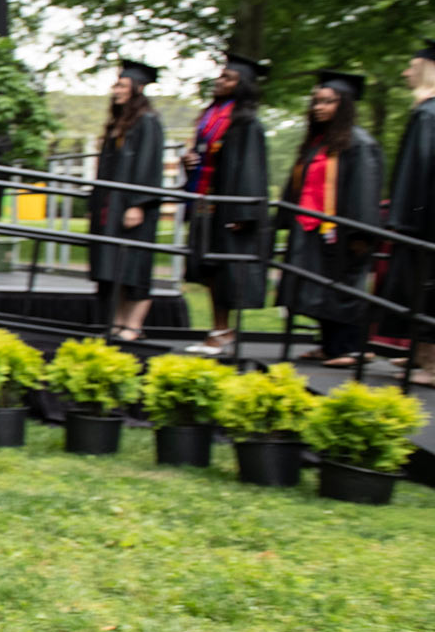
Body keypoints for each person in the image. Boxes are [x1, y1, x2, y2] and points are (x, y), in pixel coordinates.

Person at [279, 70, 384, 367]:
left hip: (343, 233)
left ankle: (351, 348)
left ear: (345, 105)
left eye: (328, 102)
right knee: (319, 288)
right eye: (316, 101)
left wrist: (359, 234)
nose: (319, 107)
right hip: (312, 228)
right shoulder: (320, 141)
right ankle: (329, 346)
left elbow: (364, 191)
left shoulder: (358, 143)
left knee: (342, 287)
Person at [181, 53, 271, 355]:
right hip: (206, 201)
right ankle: (219, 330)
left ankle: (223, 332)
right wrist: (189, 162)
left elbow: (252, 170)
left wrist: (244, 212)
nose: (220, 82)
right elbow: (207, 157)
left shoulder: (246, 124)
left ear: (242, 85)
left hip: (228, 208)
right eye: (220, 76)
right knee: (207, 269)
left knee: (223, 270)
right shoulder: (212, 118)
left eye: (228, 78)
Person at [88, 60, 166, 341]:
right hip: (112, 206)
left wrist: (137, 204)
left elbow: (149, 166)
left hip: (133, 208)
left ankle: (133, 326)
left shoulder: (147, 121)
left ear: (138, 88)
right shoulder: (120, 123)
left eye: (121, 85)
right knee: (115, 265)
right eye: (116, 84)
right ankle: (117, 324)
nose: (115, 90)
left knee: (134, 266)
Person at [382, 40, 435, 382]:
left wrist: (406, 215)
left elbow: (425, 168)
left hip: (428, 220)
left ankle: (432, 364)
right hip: (422, 218)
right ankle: (419, 354)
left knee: (428, 286)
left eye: (411, 66)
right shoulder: (426, 111)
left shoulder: (430, 113)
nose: (405, 72)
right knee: (416, 285)